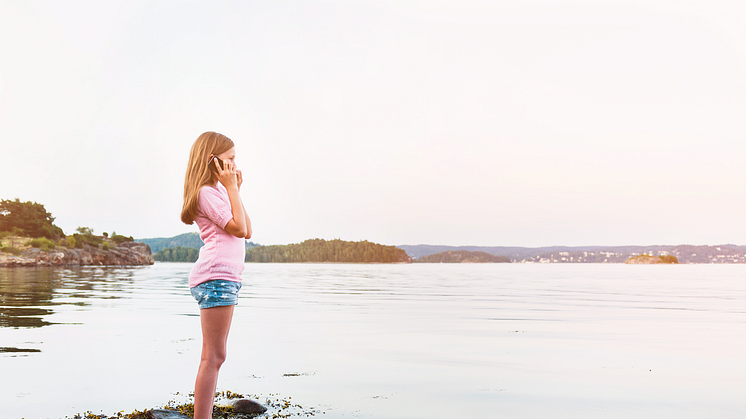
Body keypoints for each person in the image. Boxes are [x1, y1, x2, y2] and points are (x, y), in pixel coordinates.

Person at [181, 131, 252, 419]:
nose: (235, 164)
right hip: (216, 277)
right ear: (214, 161)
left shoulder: (219, 192)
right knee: (213, 356)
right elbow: (239, 230)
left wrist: (235, 190)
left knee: (215, 355)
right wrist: (232, 190)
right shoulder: (206, 193)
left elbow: (248, 227)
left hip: (225, 278)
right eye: (230, 159)